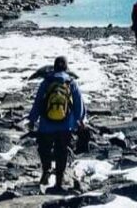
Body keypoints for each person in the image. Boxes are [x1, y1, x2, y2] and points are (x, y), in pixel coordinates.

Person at [28, 56, 85, 192]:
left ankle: (46, 170)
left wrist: (32, 119)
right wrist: (80, 120)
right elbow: (79, 104)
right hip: (66, 126)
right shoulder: (71, 82)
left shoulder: (46, 82)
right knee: (62, 152)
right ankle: (58, 183)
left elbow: (38, 103)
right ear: (66, 68)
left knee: (44, 148)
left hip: (46, 125)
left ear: (54, 67)